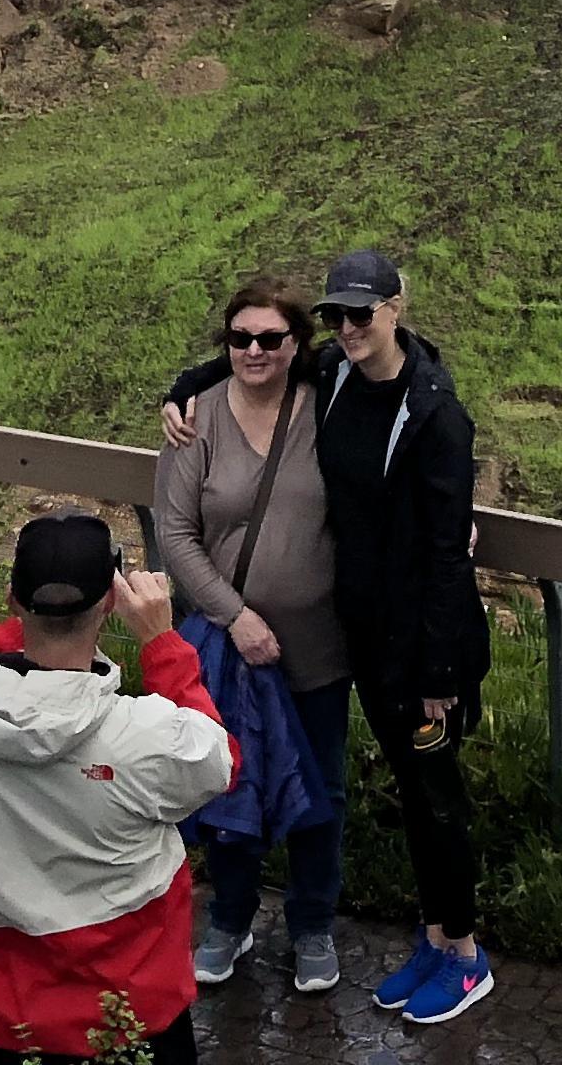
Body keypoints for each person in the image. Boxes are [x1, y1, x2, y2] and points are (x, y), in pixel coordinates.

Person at [164, 246, 492, 1024]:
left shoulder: (433, 411)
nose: (348, 327)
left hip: (408, 644)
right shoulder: (335, 376)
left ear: (396, 309)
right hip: (359, 633)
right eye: (338, 314)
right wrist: (183, 386)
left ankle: (463, 954)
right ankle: (434, 935)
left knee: (425, 794)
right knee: (392, 794)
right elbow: (248, 364)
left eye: (363, 313)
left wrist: (442, 668)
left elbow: (447, 547)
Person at [0, 513, 238, 1065]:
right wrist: (161, 642)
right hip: (132, 1020)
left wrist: (25, 629)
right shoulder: (144, 739)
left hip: (6, 1024)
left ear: (12, 600)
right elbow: (220, 761)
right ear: (112, 602)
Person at [147, 276, 346, 994]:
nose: (254, 350)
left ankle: (313, 923)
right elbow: (175, 532)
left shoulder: (328, 406)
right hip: (231, 649)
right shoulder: (195, 417)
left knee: (320, 788)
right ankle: (230, 920)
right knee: (228, 784)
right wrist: (236, 616)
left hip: (320, 644)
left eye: (271, 338)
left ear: (298, 345)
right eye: (240, 338)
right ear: (224, 343)